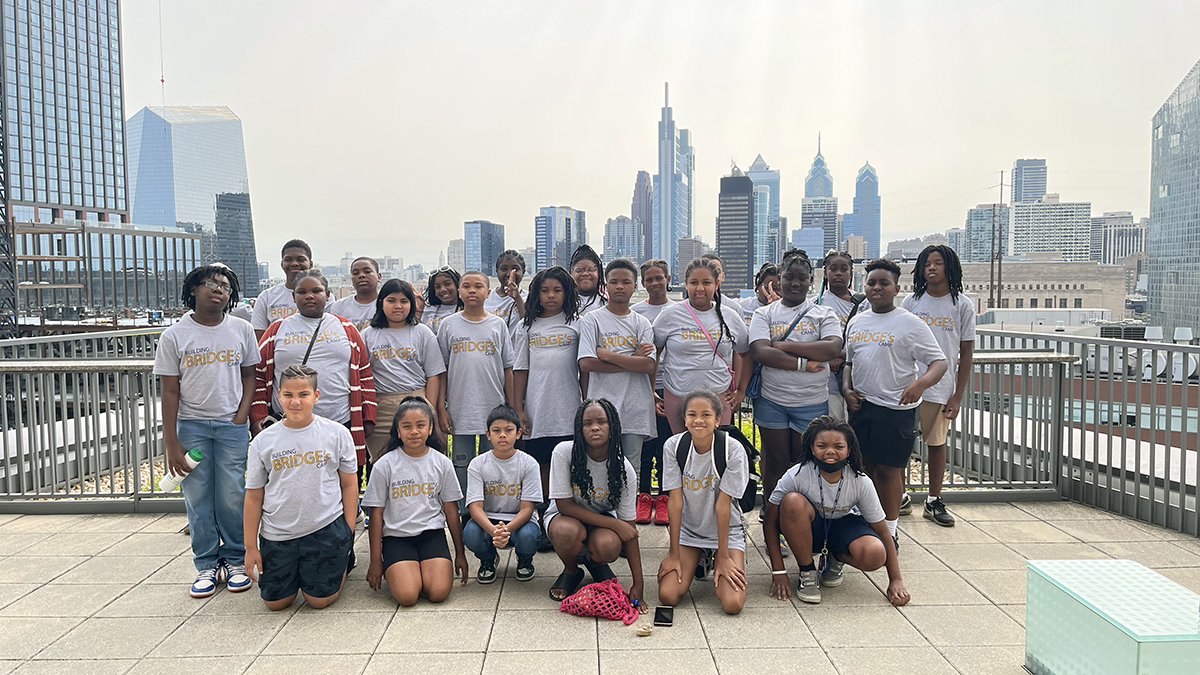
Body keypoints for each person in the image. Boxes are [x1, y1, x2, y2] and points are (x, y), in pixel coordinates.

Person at [154, 264, 259, 598]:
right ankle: (205, 564)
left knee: (232, 494)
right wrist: (171, 441)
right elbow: (169, 391)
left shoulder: (242, 329)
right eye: (211, 284)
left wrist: (241, 416)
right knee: (197, 498)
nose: (219, 290)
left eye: (226, 286)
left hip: (231, 426)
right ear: (193, 290)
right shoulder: (174, 335)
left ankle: (235, 560)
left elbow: (249, 376)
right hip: (192, 426)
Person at [842, 258, 947, 550]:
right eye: (871, 282)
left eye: (883, 283)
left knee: (889, 471)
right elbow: (849, 362)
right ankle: (869, 520)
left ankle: (890, 529)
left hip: (896, 409)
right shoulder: (858, 320)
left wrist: (919, 385)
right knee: (863, 469)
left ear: (896, 288)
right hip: (862, 408)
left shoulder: (910, 323)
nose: (877, 288)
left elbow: (939, 362)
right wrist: (846, 388)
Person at [243, 365, 358, 611]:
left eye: (303, 394)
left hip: (324, 527)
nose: (295, 402)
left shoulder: (337, 433)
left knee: (318, 601)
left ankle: (342, 563)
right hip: (278, 534)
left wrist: (347, 530)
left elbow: (349, 484)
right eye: (288, 395)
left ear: (316, 396)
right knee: (275, 603)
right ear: (278, 396)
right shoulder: (263, 441)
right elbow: (253, 496)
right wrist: (251, 546)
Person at [250, 269, 377, 489]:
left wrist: (367, 418)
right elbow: (259, 377)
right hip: (289, 423)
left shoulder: (346, 328)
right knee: (293, 484)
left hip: (340, 422)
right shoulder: (276, 330)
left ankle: (345, 523)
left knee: (343, 483)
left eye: (316, 290)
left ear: (328, 295)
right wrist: (258, 417)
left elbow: (364, 375)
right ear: (293, 297)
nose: (309, 296)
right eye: (302, 291)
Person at [764, 415, 908, 606]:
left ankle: (835, 557)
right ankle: (807, 572)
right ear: (811, 448)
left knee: (875, 554)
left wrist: (896, 579)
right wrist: (778, 570)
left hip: (843, 526)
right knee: (792, 502)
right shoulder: (796, 475)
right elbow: (769, 521)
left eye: (838, 447)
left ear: (849, 450)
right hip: (809, 530)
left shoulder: (860, 481)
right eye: (822, 445)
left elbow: (882, 531)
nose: (830, 452)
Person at [748, 249, 842, 524]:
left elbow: (832, 348)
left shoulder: (824, 313)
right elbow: (760, 352)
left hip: (811, 401)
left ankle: (801, 515)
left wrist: (784, 345)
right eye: (789, 277)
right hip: (772, 399)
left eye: (802, 278)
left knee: (804, 464)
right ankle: (772, 512)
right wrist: (804, 362)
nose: (795, 283)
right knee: (776, 462)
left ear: (811, 280)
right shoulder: (764, 314)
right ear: (779, 278)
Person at [363, 396, 468, 606]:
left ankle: (423, 570)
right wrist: (376, 561)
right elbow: (376, 515)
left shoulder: (442, 463)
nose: (414, 431)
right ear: (398, 431)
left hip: (431, 535)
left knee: (438, 593)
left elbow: (451, 511)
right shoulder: (385, 465)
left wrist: (460, 553)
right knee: (407, 596)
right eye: (407, 426)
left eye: (420, 425)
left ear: (430, 429)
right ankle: (408, 570)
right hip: (397, 537)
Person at [901, 245, 975, 527]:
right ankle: (901, 497)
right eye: (926, 264)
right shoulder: (911, 302)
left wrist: (957, 395)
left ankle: (933, 500)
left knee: (936, 444)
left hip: (942, 388)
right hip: (909, 385)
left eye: (938, 263)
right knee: (902, 445)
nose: (931, 268)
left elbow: (966, 353)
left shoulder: (962, 305)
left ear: (949, 268)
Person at [544, 399, 644, 608]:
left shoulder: (624, 469)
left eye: (602, 421)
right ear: (579, 429)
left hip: (601, 522)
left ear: (613, 426)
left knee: (609, 546)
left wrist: (638, 583)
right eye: (587, 423)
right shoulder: (564, 452)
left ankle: (594, 561)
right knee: (566, 531)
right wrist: (617, 525)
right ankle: (571, 570)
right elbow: (564, 506)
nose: (595, 427)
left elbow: (630, 531)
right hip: (566, 517)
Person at [657, 389, 748, 615]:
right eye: (692, 415)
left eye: (706, 415)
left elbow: (723, 505)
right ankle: (700, 555)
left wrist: (724, 556)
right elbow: (675, 502)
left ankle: (715, 555)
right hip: (691, 530)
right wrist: (673, 553)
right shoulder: (673, 446)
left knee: (732, 604)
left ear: (718, 420)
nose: (699, 420)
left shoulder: (732, 449)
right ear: (685, 419)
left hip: (726, 530)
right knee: (668, 596)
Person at [578, 259, 657, 493]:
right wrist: (632, 358)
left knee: (632, 467)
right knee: (598, 464)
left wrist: (608, 355)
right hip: (601, 406)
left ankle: (627, 519)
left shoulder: (642, 322)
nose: (620, 287)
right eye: (614, 282)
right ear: (605, 286)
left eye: (626, 282)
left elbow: (648, 366)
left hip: (635, 406)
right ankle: (603, 516)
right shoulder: (592, 320)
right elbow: (586, 363)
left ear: (635, 286)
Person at [436, 270, 515, 500]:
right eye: (467, 286)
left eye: (478, 286)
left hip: (494, 408)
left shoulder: (497, 325)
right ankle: (464, 514)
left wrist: (510, 406)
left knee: (493, 465)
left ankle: (491, 511)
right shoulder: (448, 325)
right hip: (460, 409)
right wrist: (441, 408)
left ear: (488, 293)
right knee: (462, 465)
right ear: (459, 292)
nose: (472, 290)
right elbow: (442, 371)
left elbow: (507, 368)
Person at [653, 257, 750, 434]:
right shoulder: (669, 315)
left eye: (706, 282)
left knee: (717, 452)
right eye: (694, 282)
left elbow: (746, 353)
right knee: (682, 450)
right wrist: (651, 391)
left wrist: (741, 390)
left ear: (717, 283)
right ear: (685, 284)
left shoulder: (730, 316)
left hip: (719, 394)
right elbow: (654, 353)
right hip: (677, 393)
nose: (700, 288)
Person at [513, 266, 582, 500]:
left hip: (569, 409)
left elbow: (585, 368)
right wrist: (518, 409)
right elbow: (520, 369)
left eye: (557, 290)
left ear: (567, 293)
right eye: (545, 290)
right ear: (537, 294)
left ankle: (568, 513)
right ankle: (543, 515)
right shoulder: (527, 327)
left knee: (569, 464)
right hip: (538, 410)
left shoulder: (577, 324)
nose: (551, 295)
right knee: (541, 464)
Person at [361, 279, 445, 463]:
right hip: (381, 408)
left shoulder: (422, 332)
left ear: (411, 304)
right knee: (383, 463)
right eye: (391, 300)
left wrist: (428, 408)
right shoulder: (368, 335)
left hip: (417, 402)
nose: (398, 306)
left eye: (404, 301)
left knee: (421, 462)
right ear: (381, 303)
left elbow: (433, 375)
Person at [464, 405, 543, 584]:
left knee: (528, 536)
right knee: (471, 533)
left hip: (520, 520)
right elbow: (475, 507)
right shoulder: (477, 464)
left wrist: (506, 530)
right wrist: (493, 531)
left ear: (518, 433)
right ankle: (487, 559)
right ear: (488, 434)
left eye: (508, 430)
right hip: (488, 519)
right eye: (496, 430)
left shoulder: (529, 464)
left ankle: (524, 559)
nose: (502, 435)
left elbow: (527, 509)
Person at [631, 259, 675, 526]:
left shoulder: (679, 309)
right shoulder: (635, 312)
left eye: (660, 278)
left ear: (668, 278)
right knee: (646, 444)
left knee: (667, 444)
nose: (655, 283)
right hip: (640, 385)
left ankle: (666, 497)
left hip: (671, 386)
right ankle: (644, 495)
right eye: (649, 279)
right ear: (643, 283)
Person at [816, 250, 866, 421]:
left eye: (844, 269)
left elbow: (867, 340)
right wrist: (830, 357)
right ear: (825, 272)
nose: (838, 273)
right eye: (833, 268)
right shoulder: (816, 305)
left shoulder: (864, 304)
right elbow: (813, 341)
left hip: (856, 378)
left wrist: (843, 357)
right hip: (826, 380)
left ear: (851, 273)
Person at [252, 239, 313, 340]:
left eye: (300, 259)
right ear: (282, 264)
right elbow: (260, 338)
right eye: (288, 260)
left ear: (310, 264)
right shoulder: (266, 297)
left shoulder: (322, 297)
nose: (294, 263)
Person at [327, 256, 383, 332]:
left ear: (378, 277)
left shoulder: (385, 305)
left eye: (367, 271)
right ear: (352, 279)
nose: (361, 275)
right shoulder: (339, 306)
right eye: (356, 273)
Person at [484, 250, 528, 336]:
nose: (509, 274)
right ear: (497, 271)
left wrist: (517, 298)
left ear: (523, 272)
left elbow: (528, 323)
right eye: (504, 269)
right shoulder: (486, 296)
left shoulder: (529, 297)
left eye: (515, 269)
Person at [419, 266, 463, 335]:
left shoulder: (468, 310)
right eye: (437, 287)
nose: (443, 289)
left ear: (457, 285)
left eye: (447, 284)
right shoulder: (426, 310)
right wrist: (418, 312)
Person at [570, 244, 606, 315]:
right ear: (571, 273)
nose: (585, 273)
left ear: (599, 272)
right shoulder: (563, 304)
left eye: (591, 269)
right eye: (579, 270)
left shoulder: (608, 305)